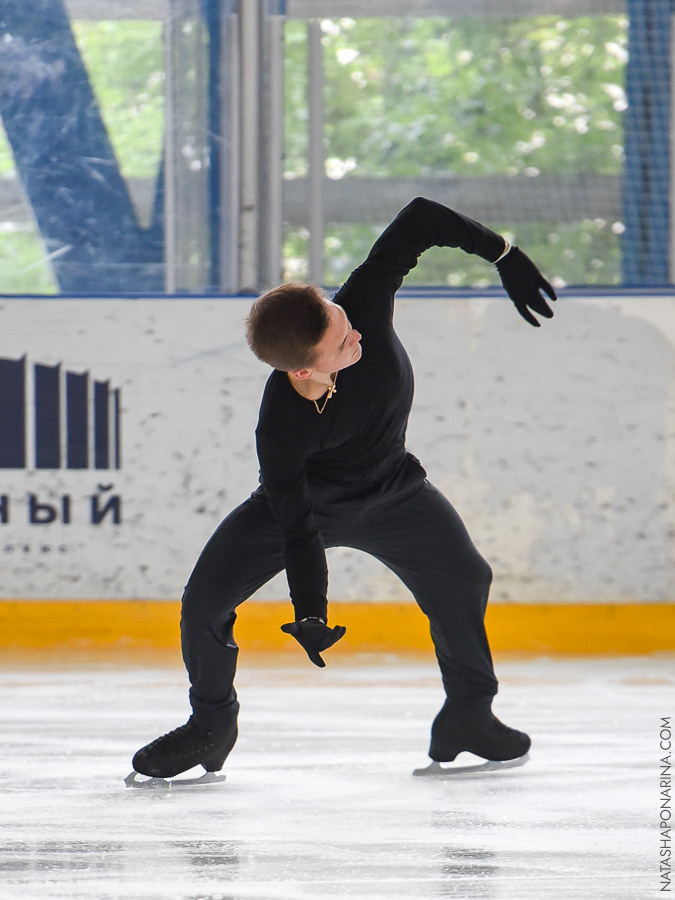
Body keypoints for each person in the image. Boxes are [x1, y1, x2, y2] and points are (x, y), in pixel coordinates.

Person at [131, 197, 556, 780]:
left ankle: (469, 715)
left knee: (465, 577)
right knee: (203, 603)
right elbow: (295, 523)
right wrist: (309, 610)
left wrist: (502, 252)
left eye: (344, 319)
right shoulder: (281, 428)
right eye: (342, 342)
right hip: (310, 505)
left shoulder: (361, 307)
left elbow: (421, 218)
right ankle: (211, 726)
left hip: (397, 494)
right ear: (303, 370)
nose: (357, 334)